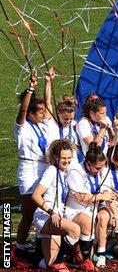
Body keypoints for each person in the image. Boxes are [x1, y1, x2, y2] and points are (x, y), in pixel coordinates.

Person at [31, 139, 81, 271]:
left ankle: (34, 260)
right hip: (45, 216)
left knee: (48, 263)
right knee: (75, 230)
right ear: (55, 157)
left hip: (54, 216)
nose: (67, 161)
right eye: (63, 158)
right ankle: (59, 262)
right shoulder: (52, 170)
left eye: (69, 158)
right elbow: (36, 195)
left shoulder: (64, 173)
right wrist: (51, 212)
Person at [65, 142, 116, 271]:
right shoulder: (75, 171)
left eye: (102, 167)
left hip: (92, 208)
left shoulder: (100, 170)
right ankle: (81, 258)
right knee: (86, 222)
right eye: (98, 168)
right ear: (88, 163)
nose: (100, 170)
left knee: (105, 216)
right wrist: (100, 197)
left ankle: (96, 254)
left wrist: (115, 214)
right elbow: (80, 197)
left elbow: (105, 192)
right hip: (75, 209)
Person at [14, 74, 50, 256]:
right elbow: (22, 110)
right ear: (31, 113)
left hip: (44, 168)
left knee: (43, 208)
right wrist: (30, 88)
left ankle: (38, 245)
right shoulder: (22, 126)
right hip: (28, 170)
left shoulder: (42, 126)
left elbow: (49, 107)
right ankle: (18, 248)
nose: (44, 114)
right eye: (40, 112)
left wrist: (47, 83)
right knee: (28, 211)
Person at [43, 68, 80, 162]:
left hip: (72, 165)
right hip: (55, 164)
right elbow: (47, 103)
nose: (68, 121)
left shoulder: (75, 125)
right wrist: (48, 81)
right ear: (58, 112)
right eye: (65, 119)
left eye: (71, 119)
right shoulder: (51, 123)